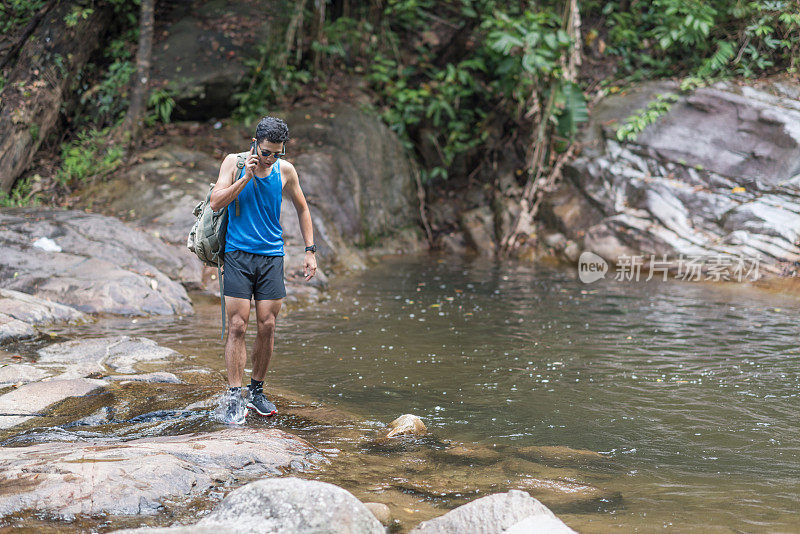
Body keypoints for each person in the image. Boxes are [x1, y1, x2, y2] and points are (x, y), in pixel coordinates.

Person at [209, 116, 317, 423]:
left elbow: (302, 207)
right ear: (254, 144)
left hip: (271, 257)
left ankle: (256, 392)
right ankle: (234, 395)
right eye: (267, 152)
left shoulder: (286, 171)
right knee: (238, 326)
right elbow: (216, 202)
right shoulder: (233, 162)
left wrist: (310, 250)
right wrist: (246, 176)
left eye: (277, 153)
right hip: (238, 255)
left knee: (267, 324)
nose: (271, 158)